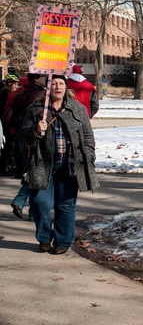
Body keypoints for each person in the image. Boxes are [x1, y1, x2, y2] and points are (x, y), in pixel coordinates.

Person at [19, 74, 99, 254]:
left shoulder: (76, 108)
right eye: (53, 83)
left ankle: (63, 242)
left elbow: (87, 136)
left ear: (66, 87)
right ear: (48, 88)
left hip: (70, 165)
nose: (57, 87)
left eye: (61, 83)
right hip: (42, 165)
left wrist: (89, 155)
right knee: (40, 203)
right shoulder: (37, 109)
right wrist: (36, 130)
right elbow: (23, 134)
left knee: (66, 205)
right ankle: (44, 237)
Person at [0, 73, 20, 176]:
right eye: (15, 84)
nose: (16, 86)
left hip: (6, 123)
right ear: (9, 83)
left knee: (7, 147)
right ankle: (2, 168)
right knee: (7, 147)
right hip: (6, 123)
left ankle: (3, 167)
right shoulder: (6, 94)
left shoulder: (5, 92)